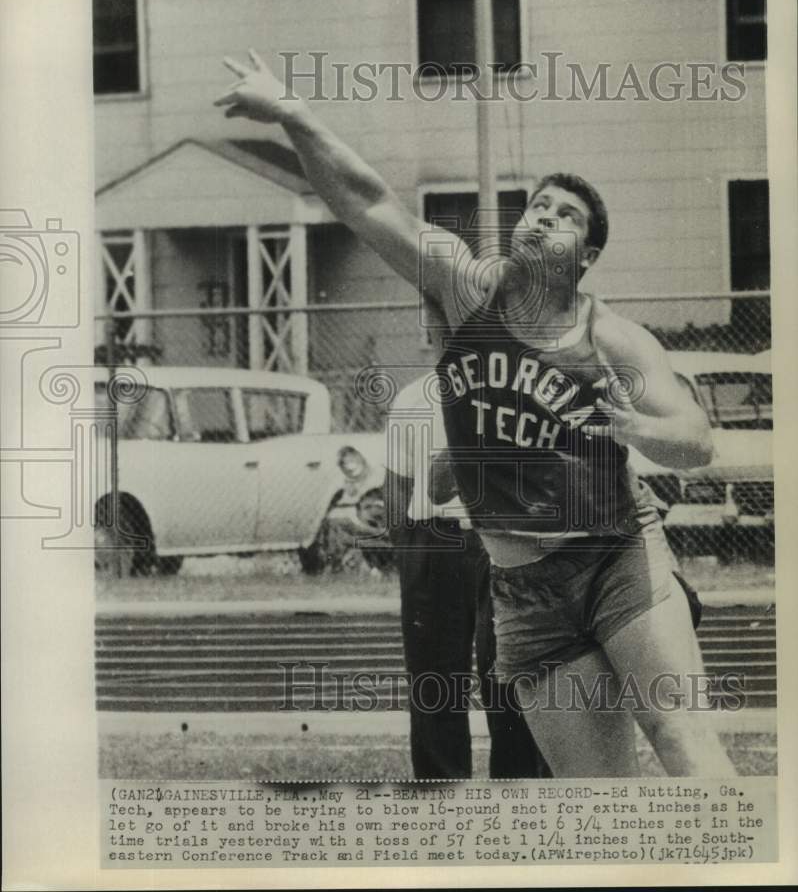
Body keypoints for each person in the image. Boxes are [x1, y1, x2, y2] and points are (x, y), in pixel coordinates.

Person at [215, 50, 735, 777]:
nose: (544, 216)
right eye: (540, 206)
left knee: (681, 737)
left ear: (585, 256)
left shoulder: (611, 335)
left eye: (566, 215)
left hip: (617, 552)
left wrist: (635, 428)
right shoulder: (466, 292)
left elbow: (696, 440)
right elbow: (369, 204)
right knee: (602, 801)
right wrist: (295, 114)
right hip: (522, 585)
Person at [385, 372, 550, 779]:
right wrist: (411, 550)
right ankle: (440, 807)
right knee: (433, 684)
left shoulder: (533, 385)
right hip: (435, 540)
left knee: (511, 681)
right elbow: (396, 484)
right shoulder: (416, 395)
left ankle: (518, 813)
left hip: (510, 538)